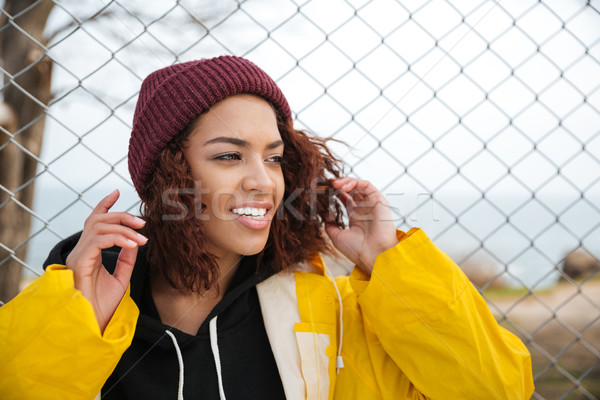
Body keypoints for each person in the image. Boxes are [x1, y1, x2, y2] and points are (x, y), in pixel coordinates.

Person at [0, 56, 534, 400]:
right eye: (230, 156)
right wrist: (73, 322)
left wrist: (392, 266)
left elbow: (498, 390)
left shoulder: (339, 311)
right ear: (170, 172)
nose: (263, 183)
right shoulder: (81, 300)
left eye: (274, 158)